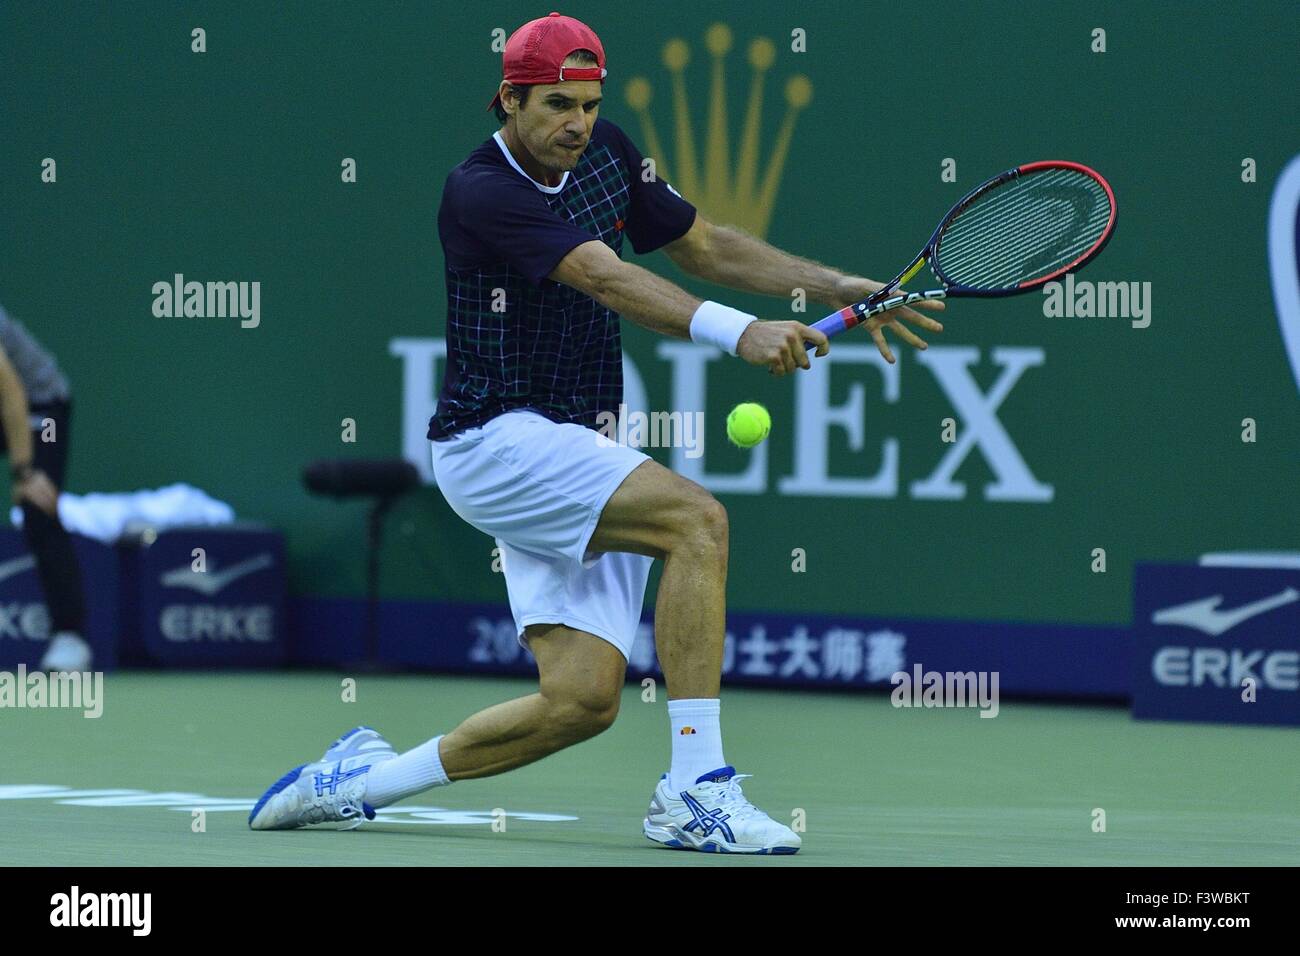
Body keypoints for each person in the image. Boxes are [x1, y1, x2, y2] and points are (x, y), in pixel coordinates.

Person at [249, 12, 942, 853]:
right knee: (698, 522)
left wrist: (830, 282)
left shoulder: (610, 151)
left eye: (588, 102)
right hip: (493, 440)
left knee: (580, 703)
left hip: (579, 441)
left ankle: (359, 782)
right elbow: (604, 277)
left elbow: (705, 246)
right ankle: (697, 786)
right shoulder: (480, 189)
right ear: (508, 100)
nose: (577, 122)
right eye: (555, 105)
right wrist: (740, 333)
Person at [0, 304, 91, 671]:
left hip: (39, 406)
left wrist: (25, 473)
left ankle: (69, 637)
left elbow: (10, 395)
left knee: (37, 507)